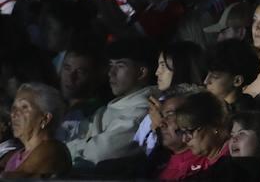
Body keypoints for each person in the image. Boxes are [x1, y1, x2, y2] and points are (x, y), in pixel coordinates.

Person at [67, 39, 157, 168]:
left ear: (142, 72)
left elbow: (98, 154)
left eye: (120, 66)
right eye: (111, 65)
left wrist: (63, 150)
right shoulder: (118, 105)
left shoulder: (141, 114)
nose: (111, 73)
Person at [2, 83, 71, 177]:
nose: (14, 114)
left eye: (24, 107)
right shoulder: (14, 156)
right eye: (14, 108)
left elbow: (17, 179)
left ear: (45, 119)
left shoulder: (52, 150)